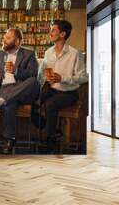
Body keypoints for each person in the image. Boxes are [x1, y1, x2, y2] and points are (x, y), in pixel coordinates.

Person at [33, 20, 88, 149]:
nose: (50, 32)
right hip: (52, 90)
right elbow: (41, 74)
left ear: (62, 34)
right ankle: (52, 129)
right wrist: (42, 79)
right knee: (33, 102)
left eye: (53, 30)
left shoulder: (75, 54)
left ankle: (49, 138)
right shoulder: (48, 53)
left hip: (69, 93)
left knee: (50, 104)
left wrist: (62, 78)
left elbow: (83, 77)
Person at [0, 28, 39, 154]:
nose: (4, 39)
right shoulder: (0, 54)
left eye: (8, 38)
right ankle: (10, 139)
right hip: (6, 89)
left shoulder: (28, 54)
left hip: (23, 90)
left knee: (33, 82)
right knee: (8, 105)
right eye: (4, 37)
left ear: (18, 41)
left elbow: (33, 73)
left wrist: (16, 71)